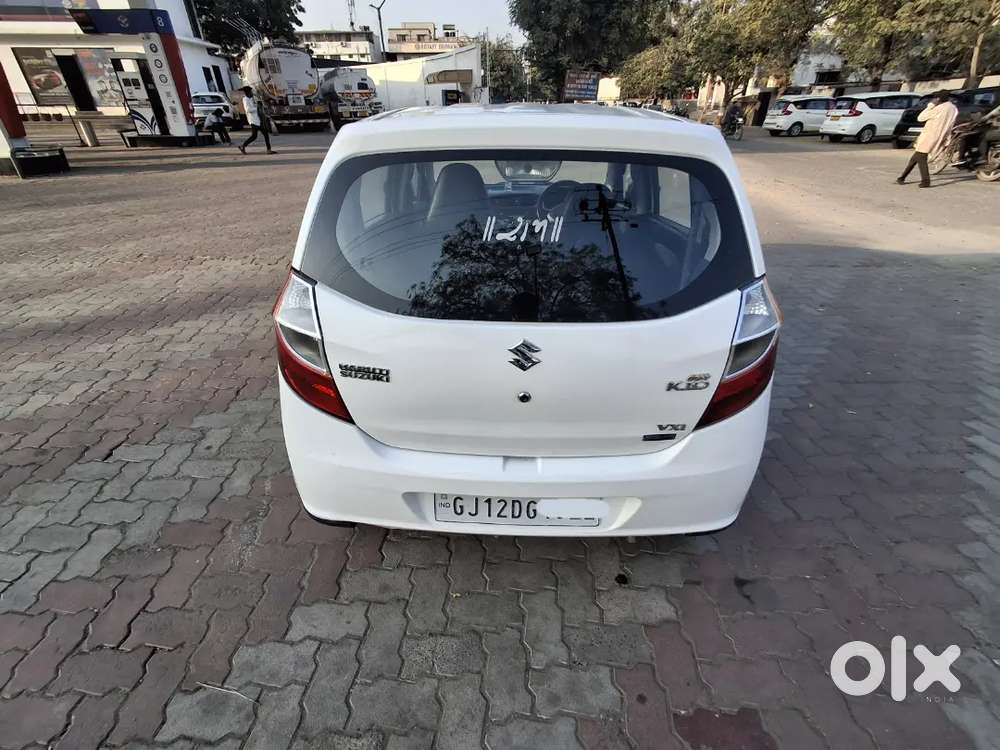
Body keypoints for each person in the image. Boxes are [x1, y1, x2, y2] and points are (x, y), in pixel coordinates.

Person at [896, 90, 958, 187]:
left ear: (938, 99)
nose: (933, 100)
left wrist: (930, 106)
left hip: (930, 135)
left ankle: (925, 181)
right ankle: (902, 177)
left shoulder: (939, 108)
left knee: (921, 157)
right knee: (916, 157)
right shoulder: (953, 108)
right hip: (941, 135)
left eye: (934, 98)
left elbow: (921, 118)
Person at [239, 86, 275, 155]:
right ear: (247, 92)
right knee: (255, 136)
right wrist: (257, 108)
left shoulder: (250, 99)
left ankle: (268, 149)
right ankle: (242, 146)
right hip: (253, 120)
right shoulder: (245, 99)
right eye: (250, 92)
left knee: (261, 135)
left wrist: (258, 105)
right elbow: (248, 110)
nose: (252, 93)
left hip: (257, 120)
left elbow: (254, 106)